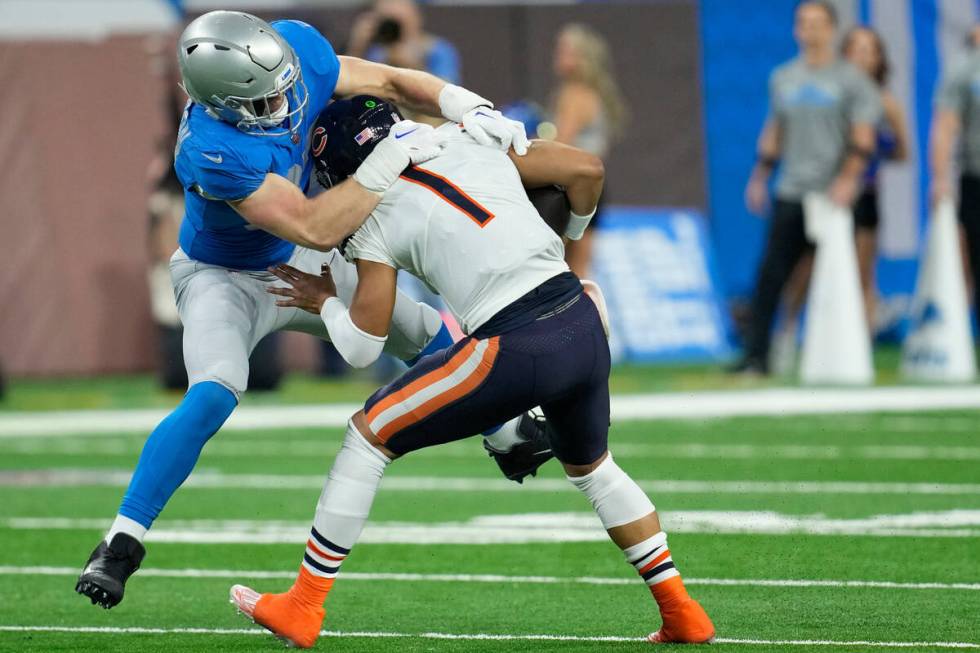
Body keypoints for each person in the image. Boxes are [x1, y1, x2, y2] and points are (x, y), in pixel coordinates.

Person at [75, 10, 541, 611]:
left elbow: (394, 83)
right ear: (219, 104)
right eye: (262, 100)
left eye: (281, 87)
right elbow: (314, 225)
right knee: (215, 390)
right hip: (226, 275)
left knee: (420, 331)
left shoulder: (294, 55)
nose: (286, 104)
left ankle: (506, 430)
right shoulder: (210, 148)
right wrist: (385, 160)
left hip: (293, 254)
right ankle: (120, 542)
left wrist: (465, 104)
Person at [227, 96, 715, 648]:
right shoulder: (467, 139)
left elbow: (362, 346)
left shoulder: (372, 211)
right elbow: (587, 170)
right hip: (579, 318)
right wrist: (567, 240)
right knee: (595, 471)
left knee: (368, 437)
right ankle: (682, 611)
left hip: (516, 342)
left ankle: (304, 604)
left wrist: (326, 303)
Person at [735, 0, 882, 375]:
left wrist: (849, 179)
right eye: (803, 23)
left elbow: (863, 137)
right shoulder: (784, 77)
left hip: (833, 195)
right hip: (793, 190)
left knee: (843, 275)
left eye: (817, 23)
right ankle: (757, 355)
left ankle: (848, 354)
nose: (809, 30)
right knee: (772, 275)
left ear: (831, 29)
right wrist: (760, 176)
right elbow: (775, 130)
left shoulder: (852, 79)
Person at [770, 25, 909, 372]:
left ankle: (862, 346)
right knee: (805, 268)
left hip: (863, 195)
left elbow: (903, 151)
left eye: (870, 50)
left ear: (879, 58)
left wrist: (872, 154)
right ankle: (786, 333)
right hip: (826, 194)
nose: (862, 56)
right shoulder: (831, 89)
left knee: (862, 273)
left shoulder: (885, 101)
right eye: (856, 49)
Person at [549, 23, 627, 278]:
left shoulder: (575, 94)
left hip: (573, 188)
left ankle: (573, 318)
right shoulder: (591, 93)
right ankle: (586, 318)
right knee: (579, 271)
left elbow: (559, 145)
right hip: (594, 186)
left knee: (561, 271)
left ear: (583, 59)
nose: (558, 56)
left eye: (566, 51)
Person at [931, 25, 980, 324]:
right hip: (976, 177)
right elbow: (945, 126)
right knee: (973, 260)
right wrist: (940, 177)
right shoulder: (964, 71)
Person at [347, 0, 460, 85]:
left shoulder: (436, 49)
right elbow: (351, 85)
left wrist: (412, 65)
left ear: (416, 18)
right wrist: (358, 47)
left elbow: (447, 91)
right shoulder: (375, 51)